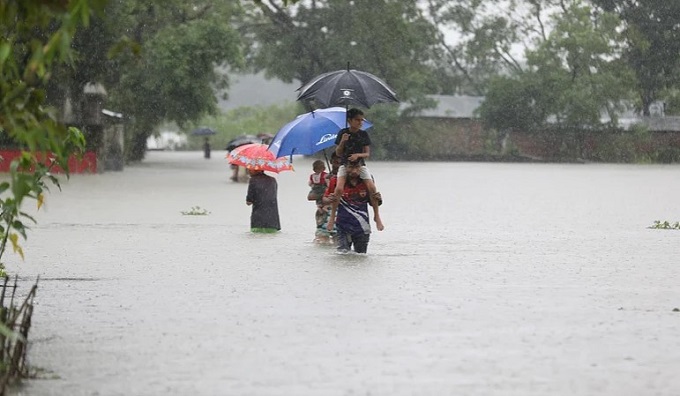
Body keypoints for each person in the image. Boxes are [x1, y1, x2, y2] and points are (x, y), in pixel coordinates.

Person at [327, 108, 384, 233]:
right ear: (350, 120)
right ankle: (332, 218)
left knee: (372, 188)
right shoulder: (343, 133)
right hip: (345, 165)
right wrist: (342, 142)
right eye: (357, 120)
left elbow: (367, 154)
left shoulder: (363, 134)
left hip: (360, 165)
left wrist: (358, 155)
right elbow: (338, 153)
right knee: (339, 189)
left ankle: (377, 216)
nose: (360, 122)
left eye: (361, 120)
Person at [326, 160, 382, 253]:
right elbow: (325, 199)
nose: (354, 171)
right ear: (345, 168)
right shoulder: (336, 181)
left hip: (362, 226)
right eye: (351, 167)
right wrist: (330, 199)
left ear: (361, 168)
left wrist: (378, 199)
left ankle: (377, 218)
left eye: (357, 167)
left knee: (360, 256)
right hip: (343, 225)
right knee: (342, 255)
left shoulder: (367, 181)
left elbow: (372, 202)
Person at [245, 169, 280, 233]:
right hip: (273, 222)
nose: (248, 171)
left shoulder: (253, 180)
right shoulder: (273, 180)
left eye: (250, 169)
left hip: (258, 222)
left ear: (257, 170)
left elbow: (249, 202)